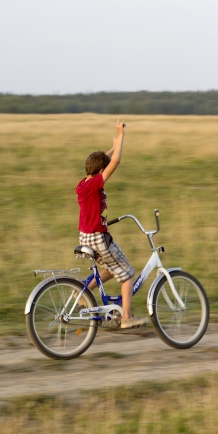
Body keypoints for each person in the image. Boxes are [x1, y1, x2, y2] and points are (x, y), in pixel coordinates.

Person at [75, 118, 147, 329]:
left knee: (110, 269)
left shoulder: (83, 183)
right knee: (127, 273)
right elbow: (114, 162)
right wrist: (122, 136)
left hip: (85, 236)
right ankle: (126, 317)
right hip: (98, 237)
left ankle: (81, 292)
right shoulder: (96, 183)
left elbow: (104, 160)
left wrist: (114, 145)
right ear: (99, 173)